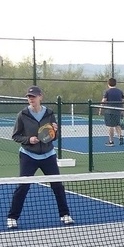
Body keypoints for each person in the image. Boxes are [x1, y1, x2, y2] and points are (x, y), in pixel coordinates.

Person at [5, 85, 73, 229]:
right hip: (28, 155)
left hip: (48, 155)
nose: (31, 99)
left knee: (57, 186)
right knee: (23, 187)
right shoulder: (22, 115)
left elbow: (54, 136)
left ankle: (65, 215)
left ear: (40, 97)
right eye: (29, 97)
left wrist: (55, 131)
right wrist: (28, 140)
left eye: (33, 97)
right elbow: (16, 136)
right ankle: (12, 217)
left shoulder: (49, 113)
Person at [100, 77, 124, 146]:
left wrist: (100, 108)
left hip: (109, 111)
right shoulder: (120, 91)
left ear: (108, 84)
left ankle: (111, 141)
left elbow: (104, 100)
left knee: (110, 126)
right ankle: (120, 136)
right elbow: (123, 101)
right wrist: (122, 109)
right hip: (118, 110)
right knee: (117, 125)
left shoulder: (107, 91)